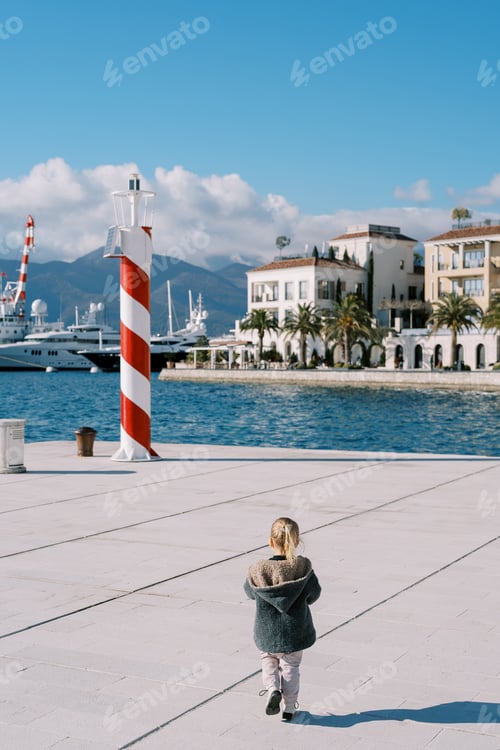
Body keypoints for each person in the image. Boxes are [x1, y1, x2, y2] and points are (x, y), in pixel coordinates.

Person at [244, 517, 321, 721]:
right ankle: (289, 706)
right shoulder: (303, 568)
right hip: (295, 631)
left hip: (266, 630)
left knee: (268, 660)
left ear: (271, 541)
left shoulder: (257, 570)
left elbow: (249, 593)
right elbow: (314, 594)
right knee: (291, 667)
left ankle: (272, 690)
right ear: (296, 542)